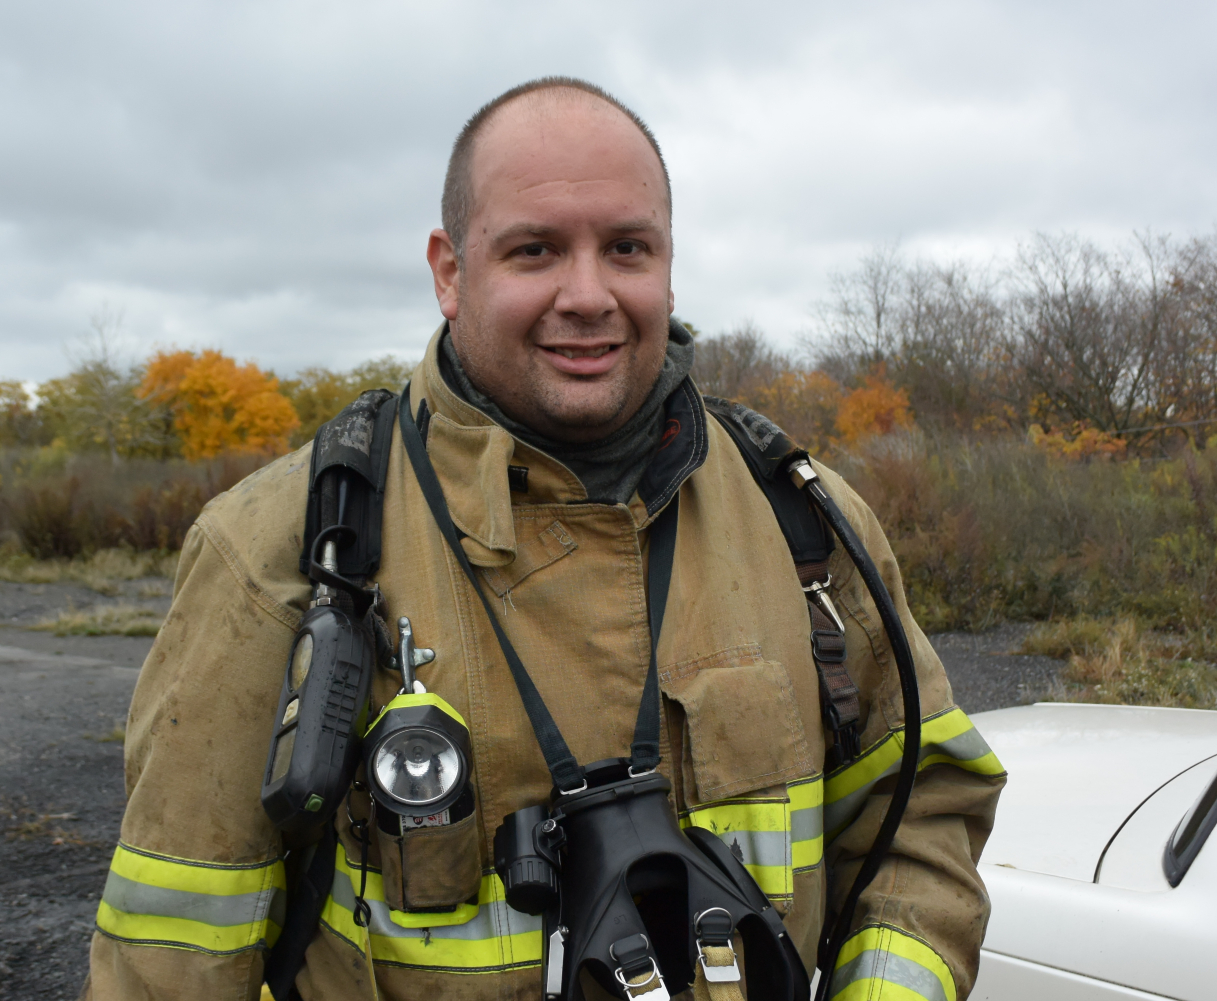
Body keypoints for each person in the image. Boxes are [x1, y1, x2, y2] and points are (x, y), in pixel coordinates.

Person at [82, 77, 1004, 1001]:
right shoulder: (276, 549)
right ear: (449, 270)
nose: (588, 294)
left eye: (627, 248)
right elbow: (171, 955)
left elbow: (920, 820)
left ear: (669, 263)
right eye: (535, 250)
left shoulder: (805, 519)